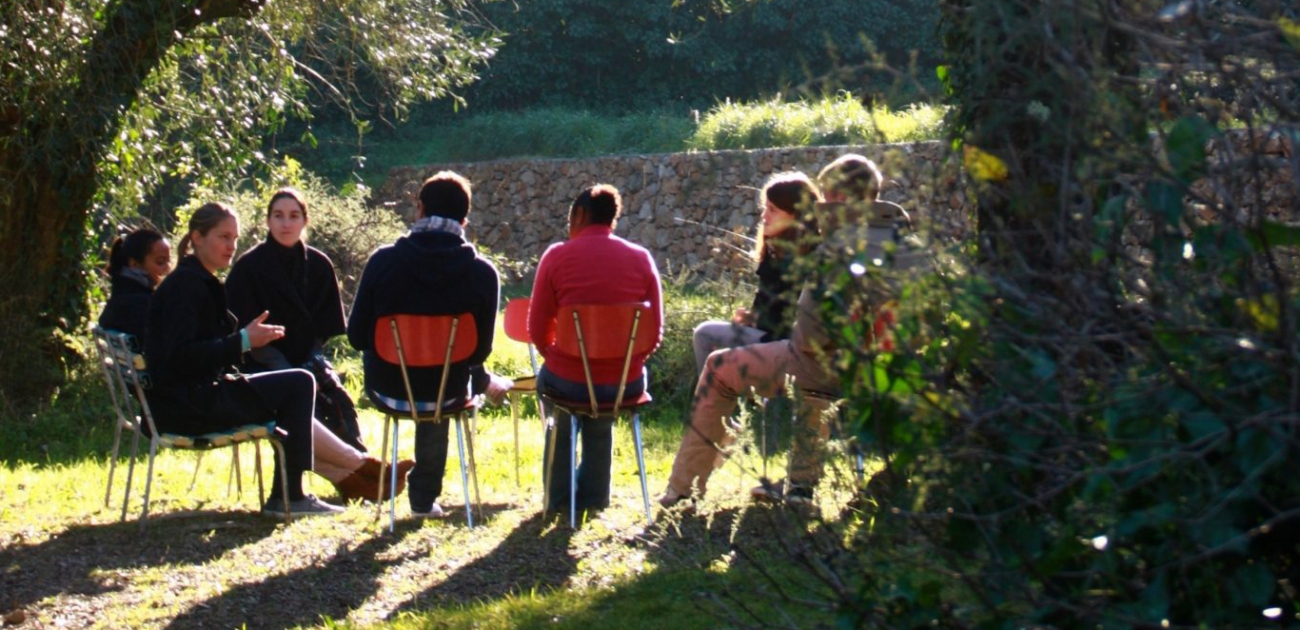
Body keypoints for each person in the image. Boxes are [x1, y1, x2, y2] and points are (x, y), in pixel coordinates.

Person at [660, 154, 912, 507]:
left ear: (840, 196)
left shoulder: (844, 240)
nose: (820, 203)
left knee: (719, 366)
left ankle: (682, 489)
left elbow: (817, 334)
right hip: (882, 370)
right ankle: (799, 488)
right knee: (811, 382)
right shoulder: (896, 236)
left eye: (825, 195)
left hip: (820, 362)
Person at [145, 202, 346, 516]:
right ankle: (292, 495)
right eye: (224, 237)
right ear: (197, 238)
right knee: (298, 383)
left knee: (296, 381)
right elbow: (180, 357)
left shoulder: (197, 279)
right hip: (185, 405)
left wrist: (242, 343)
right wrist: (242, 341)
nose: (231, 246)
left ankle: (340, 474)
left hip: (188, 396)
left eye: (235, 239)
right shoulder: (186, 286)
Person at [348, 171, 510, 519]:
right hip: (447, 390)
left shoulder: (382, 261)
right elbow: (479, 352)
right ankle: (423, 499)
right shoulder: (483, 273)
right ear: (464, 221)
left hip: (388, 386)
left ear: (419, 210)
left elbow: (357, 336)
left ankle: (413, 496)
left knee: (431, 379)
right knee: (444, 388)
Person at [528, 184, 664, 515]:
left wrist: (561, 359)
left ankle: (559, 499)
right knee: (602, 406)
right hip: (624, 382)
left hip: (568, 378)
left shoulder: (557, 256)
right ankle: (594, 497)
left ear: (578, 215)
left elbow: (537, 330)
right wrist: (627, 364)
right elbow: (653, 333)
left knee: (562, 401)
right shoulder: (641, 258)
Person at [225, 188, 380, 457]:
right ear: (268, 221)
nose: (286, 223)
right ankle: (347, 469)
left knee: (337, 399)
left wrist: (309, 361)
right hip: (260, 360)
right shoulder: (248, 266)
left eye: (293, 215)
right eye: (278, 216)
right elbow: (236, 328)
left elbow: (325, 326)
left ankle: (361, 461)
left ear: (304, 221)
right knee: (299, 394)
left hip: (308, 353)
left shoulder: (319, 265)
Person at [691, 172, 820, 373]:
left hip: (788, 346)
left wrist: (758, 321)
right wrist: (753, 317)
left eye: (773, 210)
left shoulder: (810, 257)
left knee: (705, 334)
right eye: (764, 208)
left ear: (796, 215)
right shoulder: (776, 248)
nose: (764, 216)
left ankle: (708, 402)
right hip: (768, 337)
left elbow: (795, 317)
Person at [98, 227, 172, 338]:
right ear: (135, 264)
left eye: (168, 261)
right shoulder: (141, 304)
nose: (168, 269)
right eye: (160, 262)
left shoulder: (120, 294)